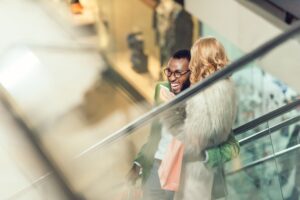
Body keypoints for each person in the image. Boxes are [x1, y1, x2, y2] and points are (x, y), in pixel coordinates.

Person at [127, 49, 239, 200]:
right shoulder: (163, 91)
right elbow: (154, 136)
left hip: (185, 174)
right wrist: (139, 162)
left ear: (191, 73)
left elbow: (233, 147)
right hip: (156, 167)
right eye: (169, 72)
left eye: (178, 73)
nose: (172, 78)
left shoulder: (205, 101)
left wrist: (205, 156)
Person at [163, 37, 237, 200]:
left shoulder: (208, 92)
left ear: (203, 59)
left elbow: (198, 140)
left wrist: (172, 120)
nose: (192, 63)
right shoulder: (224, 85)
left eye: (195, 56)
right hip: (203, 166)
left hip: (197, 168)